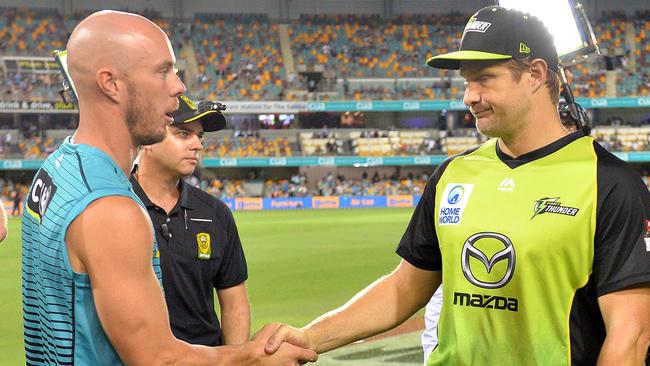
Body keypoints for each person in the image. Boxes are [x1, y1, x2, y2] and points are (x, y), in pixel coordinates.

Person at [261, 6, 650, 365]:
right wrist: (309, 337)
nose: (469, 97)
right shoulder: (453, 174)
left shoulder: (610, 184)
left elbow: (630, 335)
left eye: (483, 79)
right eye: (466, 82)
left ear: (535, 74)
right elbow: (404, 288)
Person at [21, 10, 316, 365]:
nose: (179, 86)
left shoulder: (56, 168)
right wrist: (253, 357)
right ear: (110, 83)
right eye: (163, 71)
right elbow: (158, 359)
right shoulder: (111, 210)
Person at [131, 95, 250, 347]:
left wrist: (235, 359)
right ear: (148, 139)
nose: (197, 145)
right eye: (184, 134)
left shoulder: (216, 213)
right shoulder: (115, 207)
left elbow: (234, 301)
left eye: (200, 136)